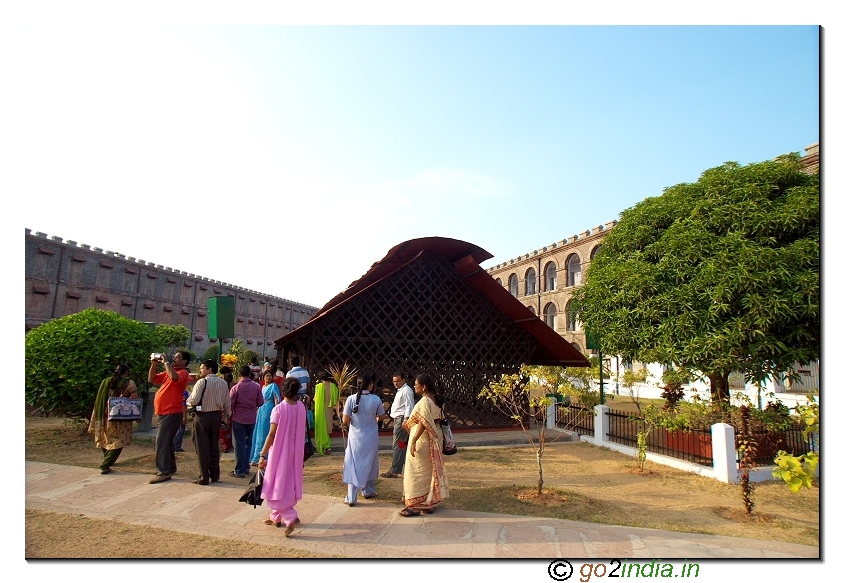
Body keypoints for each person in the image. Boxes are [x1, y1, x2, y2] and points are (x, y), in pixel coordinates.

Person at [257, 377, 306, 537]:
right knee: (287, 482)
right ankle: (275, 517)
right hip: (296, 451)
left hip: (280, 451)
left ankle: (290, 516)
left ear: (283, 391)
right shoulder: (301, 407)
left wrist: (262, 454)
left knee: (276, 483)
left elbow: (271, 433)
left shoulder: (278, 409)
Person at [400, 373, 449, 517]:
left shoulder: (424, 402)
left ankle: (414, 506)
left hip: (423, 440)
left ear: (424, 386)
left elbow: (422, 424)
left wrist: (413, 440)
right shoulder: (436, 400)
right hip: (435, 438)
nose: (414, 386)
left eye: (416, 384)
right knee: (429, 471)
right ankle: (429, 503)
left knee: (416, 471)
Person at [341, 372, 388, 506]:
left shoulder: (350, 399)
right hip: (371, 436)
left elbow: (345, 420)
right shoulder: (376, 399)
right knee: (370, 463)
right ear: (370, 386)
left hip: (355, 437)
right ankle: (368, 490)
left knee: (353, 464)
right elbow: (382, 416)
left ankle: (351, 496)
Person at [148, 350, 193, 483]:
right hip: (165, 412)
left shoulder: (183, 373)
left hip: (172, 412)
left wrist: (166, 362)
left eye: (178, 357)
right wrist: (154, 364)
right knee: (166, 442)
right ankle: (170, 467)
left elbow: (174, 378)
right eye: (174, 357)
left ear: (184, 361)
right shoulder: (170, 371)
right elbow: (152, 379)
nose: (174, 359)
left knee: (161, 442)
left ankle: (163, 471)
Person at [187, 359, 232, 485]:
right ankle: (215, 474)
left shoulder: (202, 382)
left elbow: (194, 400)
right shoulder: (223, 383)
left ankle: (204, 476)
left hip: (202, 417)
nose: (200, 370)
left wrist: (188, 402)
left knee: (202, 447)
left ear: (209, 369)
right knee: (214, 446)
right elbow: (227, 401)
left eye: (202, 368)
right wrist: (227, 416)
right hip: (216, 416)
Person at [88, 363, 138, 474]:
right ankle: (105, 465)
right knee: (120, 440)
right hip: (119, 414)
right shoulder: (129, 382)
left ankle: (107, 458)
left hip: (103, 413)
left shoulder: (105, 381)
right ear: (126, 372)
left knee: (105, 437)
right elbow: (135, 399)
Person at [229, 364, 264, 478]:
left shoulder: (236, 387)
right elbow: (260, 402)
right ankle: (246, 467)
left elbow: (231, 404)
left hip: (238, 418)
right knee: (248, 444)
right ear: (249, 374)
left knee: (239, 444)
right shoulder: (256, 387)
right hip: (251, 418)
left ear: (239, 374)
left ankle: (239, 470)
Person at [381, 371, 415, 478]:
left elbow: (409, 406)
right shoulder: (400, 390)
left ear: (403, 380)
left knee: (398, 444)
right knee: (402, 444)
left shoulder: (407, 391)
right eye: (394, 381)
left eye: (398, 381)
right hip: (398, 419)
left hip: (401, 419)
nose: (396, 383)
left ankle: (395, 470)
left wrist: (406, 419)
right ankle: (404, 468)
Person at [250, 370, 281, 466]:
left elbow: (276, 399)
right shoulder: (262, 387)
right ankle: (256, 457)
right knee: (258, 433)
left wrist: (276, 412)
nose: (268, 377)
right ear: (263, 377)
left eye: (270, 376)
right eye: (266, 376)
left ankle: (263, 457)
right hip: (261, 410)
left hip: (269, 410)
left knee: (264, 433)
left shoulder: (273, 386)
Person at [312, 371, 340, 455]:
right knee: (327, 428)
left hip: (320, 411)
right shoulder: (333, 387)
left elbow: (315, 399)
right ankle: (328, 447)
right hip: (329, 410)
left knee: (321, 428)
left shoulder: (318, 387)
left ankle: (325, 446)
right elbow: (335, 399)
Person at [218, 365, 235, 453]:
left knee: (221, 427)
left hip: (221, 408)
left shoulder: (220, 384)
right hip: (229, 409)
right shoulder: (233, 386)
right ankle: (227, 444)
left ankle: (223, 444)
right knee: (228, 427)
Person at [172, 387, 189, 452]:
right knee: (180, 430)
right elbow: (184, 405)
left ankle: (173, 446)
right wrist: (184, 416)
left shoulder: (172, 391)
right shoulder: (184, 392)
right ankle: (176, 446)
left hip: (170, 412)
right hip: (179, 412)